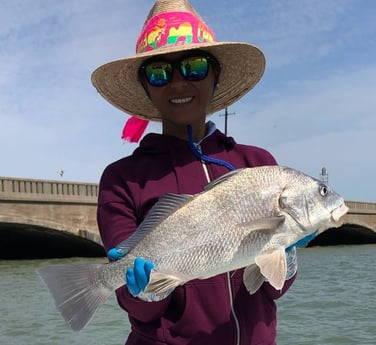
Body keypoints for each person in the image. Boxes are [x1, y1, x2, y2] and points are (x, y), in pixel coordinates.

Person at [92, 1, 298, 344]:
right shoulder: (122, 180)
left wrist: (286, 254)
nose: (177, 83)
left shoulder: (260, 166)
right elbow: (138, 311)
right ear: (146, 86)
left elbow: (274, 291)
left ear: (215, 75)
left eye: (195, 67)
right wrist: (142, 291)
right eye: (159, 73)